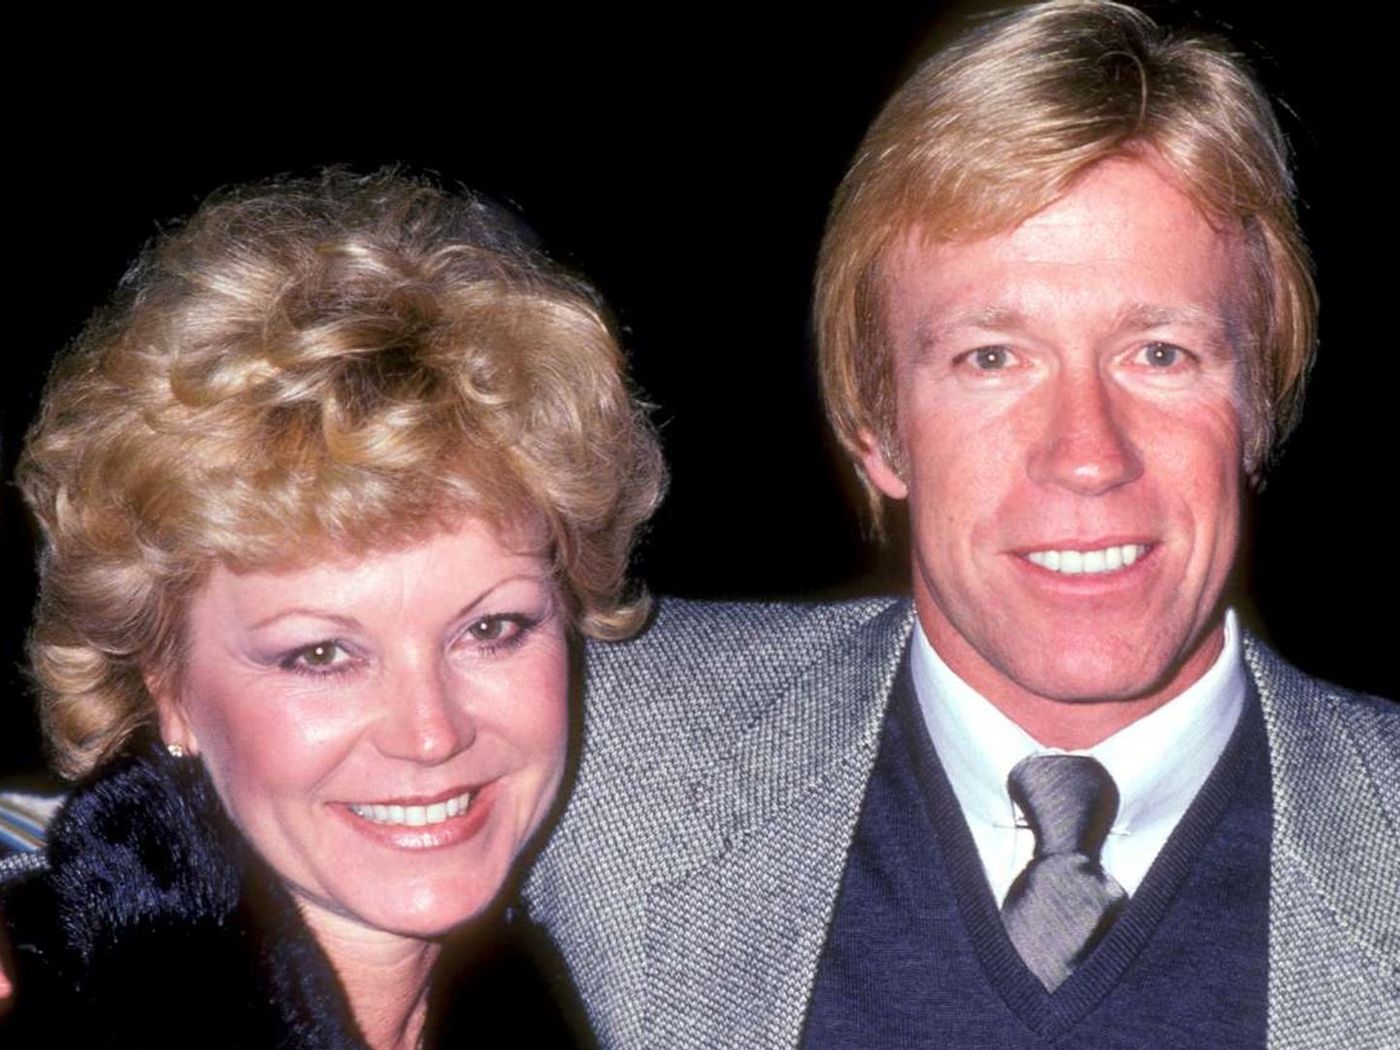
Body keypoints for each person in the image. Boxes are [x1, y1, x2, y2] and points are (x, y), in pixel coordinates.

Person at [525, 3, 1399, 1048]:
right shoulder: (603, 740)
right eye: (991, 358)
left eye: (1160, 354)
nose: (1086, 453)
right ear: (874, 428)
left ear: (1257, 402)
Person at [0, 170, 663, 1047]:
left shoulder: (587, 989)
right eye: (321, 655)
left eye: (490, 629)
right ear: (166, 684)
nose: (431, 734)